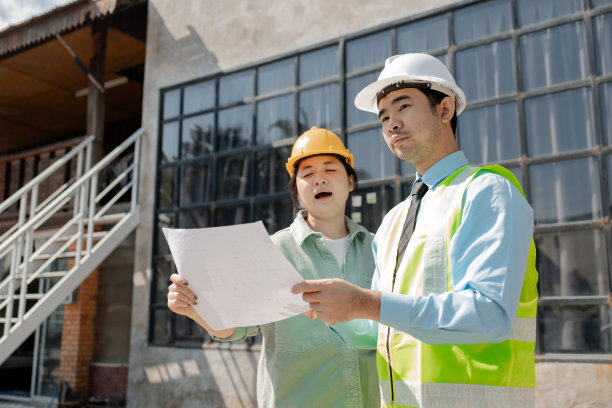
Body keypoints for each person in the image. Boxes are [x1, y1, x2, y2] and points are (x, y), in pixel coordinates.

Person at [292, 53, 539, 408]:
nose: (392, 123)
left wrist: (364, 301)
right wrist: (332, 311)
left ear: (445, 109)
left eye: (403, 106)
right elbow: (382, 327)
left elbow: (489, 314)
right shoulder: (394, 220)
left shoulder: (486, 191)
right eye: (384, 117)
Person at [167, 126, 380, 408]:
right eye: (307, 174)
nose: (319, 179)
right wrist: (196, 309)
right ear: (296, 189)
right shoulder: (273, 250)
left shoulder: (380, 249)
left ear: (350, 182)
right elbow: (238, 328)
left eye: (330, 170)